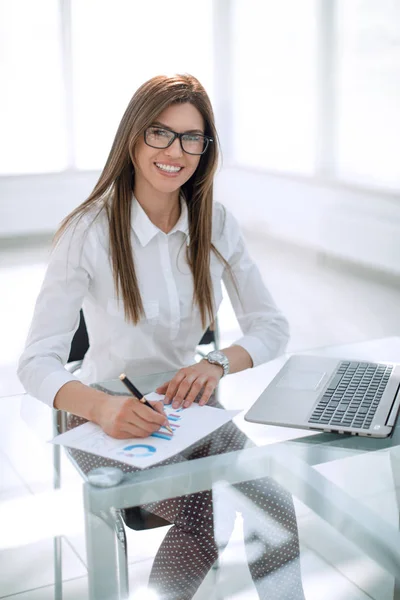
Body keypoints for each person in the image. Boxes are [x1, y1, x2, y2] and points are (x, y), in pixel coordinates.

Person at [18, 74, 305, 599]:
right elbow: (36, 362)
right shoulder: (88, 231)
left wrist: (216, 362)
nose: (176, 151)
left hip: (188, 409)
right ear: (133, 137)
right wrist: (102, 410)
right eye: (160, 133)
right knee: (208, 514)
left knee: (273, 502)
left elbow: (272, 326)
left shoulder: (215, 223)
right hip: (103, 412)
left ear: (205, 148)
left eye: (191, 137)